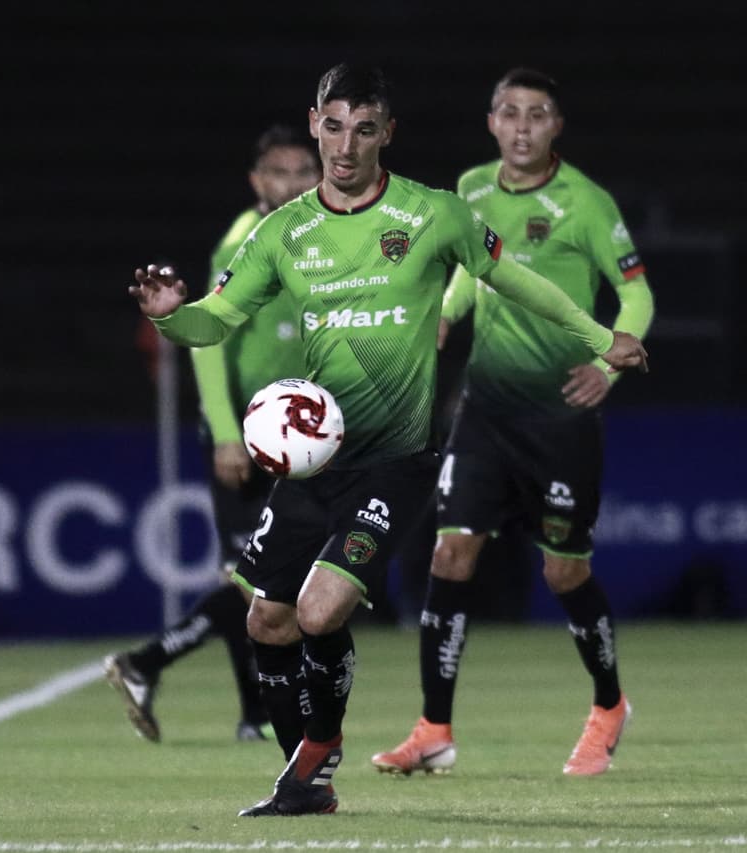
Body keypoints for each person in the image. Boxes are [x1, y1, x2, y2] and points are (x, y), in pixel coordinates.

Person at [128, 63, 648, 817]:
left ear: (386, 133)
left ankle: (320, 752)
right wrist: (171, 314)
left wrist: (605, 337)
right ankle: (306, 774)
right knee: (264, 620)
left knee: (317, 611)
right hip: (315, 463)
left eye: (363, 128)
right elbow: (215, 320)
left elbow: (519, 282)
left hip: (395, 459)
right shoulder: (283, 232)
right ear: (315, 125)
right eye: (333, 126)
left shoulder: (435, 213)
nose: (346, 145)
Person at [370, 67, 654, 778]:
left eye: (537, 115)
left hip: (561, 415)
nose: (522, 127)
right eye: (509, 113)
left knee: (564, 572)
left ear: (557, 126)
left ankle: (609, 705)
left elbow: (637, 295)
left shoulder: (585, 203)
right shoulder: (471, 190)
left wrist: (608, 367)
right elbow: (476, 269)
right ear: (491, 122)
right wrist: (443, 314)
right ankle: (433, 727)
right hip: (486, 410)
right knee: (449, 555)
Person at [105, 124, 320, 743]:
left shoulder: (310, 234)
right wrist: (228, 435)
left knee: (256, 576)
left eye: (302, 171)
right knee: (256, 579)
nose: (292, 183)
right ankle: (147, 663)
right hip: (251, 437)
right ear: (257, 181)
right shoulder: (245, 241)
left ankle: (252, 714)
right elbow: (207, 340)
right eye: (279, 173)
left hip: (289, 433)